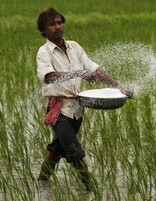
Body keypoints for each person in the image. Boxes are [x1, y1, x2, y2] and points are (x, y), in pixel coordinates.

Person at [36, 7, 133, 191]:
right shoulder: (44, 52)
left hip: (77, 110)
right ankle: (91, 190)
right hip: (59, 111)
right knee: (74, 151)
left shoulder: (75, 47)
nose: (57, 27)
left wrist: (119, 87)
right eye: (51, 24)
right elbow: (48, 77)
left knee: (57, 150)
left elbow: (95, 70)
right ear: (43, 31)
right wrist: (78, 73)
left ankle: (41, 182)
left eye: (59, 22)